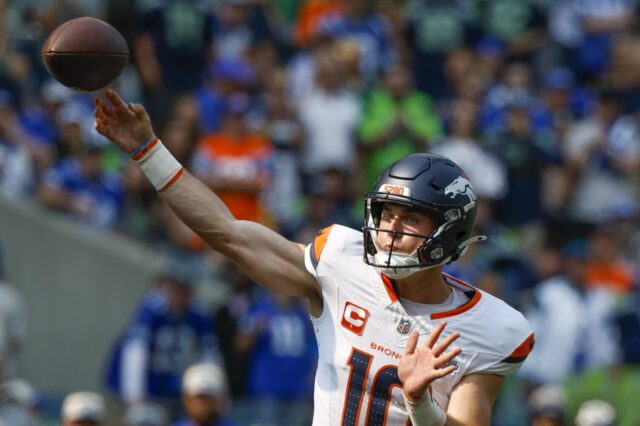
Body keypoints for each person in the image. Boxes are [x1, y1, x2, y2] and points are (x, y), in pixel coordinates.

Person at [94, 89, 534, 425]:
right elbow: (227, 234)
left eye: (411, 218)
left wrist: (418, 401)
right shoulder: (341, 262)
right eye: (386, 213)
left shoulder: (488, 329)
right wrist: (148, 150)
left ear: (450, 231)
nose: (390, 229)